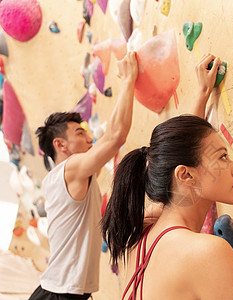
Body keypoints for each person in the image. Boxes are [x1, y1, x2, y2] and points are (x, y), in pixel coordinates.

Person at [101, 64, 233, 299]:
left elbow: (182, 169)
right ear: (185, 175)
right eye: (223, 157)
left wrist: (202, 93)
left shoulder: (139, 242)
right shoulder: (204, 253)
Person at [29, 51, 221, 299]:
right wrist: (128, 78)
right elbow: (115, 137)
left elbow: (174, 156)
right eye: (79, 133)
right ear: (60, 145)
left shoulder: (74, 181)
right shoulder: (66, 171)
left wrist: (202, 94)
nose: (89, 139)